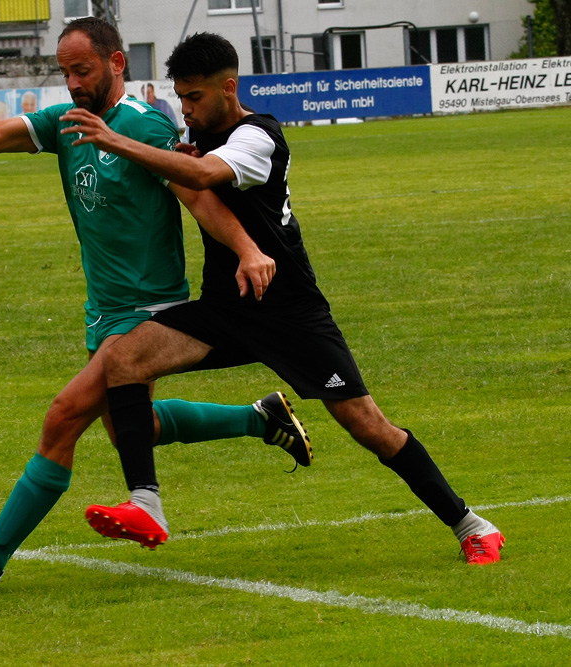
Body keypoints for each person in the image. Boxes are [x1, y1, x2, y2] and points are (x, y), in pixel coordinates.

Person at [61, 32, 504, 565]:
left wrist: (116, 140)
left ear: (229, 88)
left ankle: (471, 524)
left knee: (368, 426)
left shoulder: (259, 136)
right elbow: (191, 175)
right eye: (180, 98)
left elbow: (204, 175)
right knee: (122, 358)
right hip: (228, 307)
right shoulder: (199, 137)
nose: (186, 109)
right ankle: (146, 503)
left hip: (291, 313)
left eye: (195, 98)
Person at [0, 18, 312, 590]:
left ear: (116, 64)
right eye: (65, 71)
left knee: (63, 418)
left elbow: (199, 197)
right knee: (131, 430)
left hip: (148, 310)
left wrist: (248, 248)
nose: (72, 82)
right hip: (104, 309)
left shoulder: (144, 126)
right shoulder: (66, 124)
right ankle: (259, 418)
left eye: (83, 69)